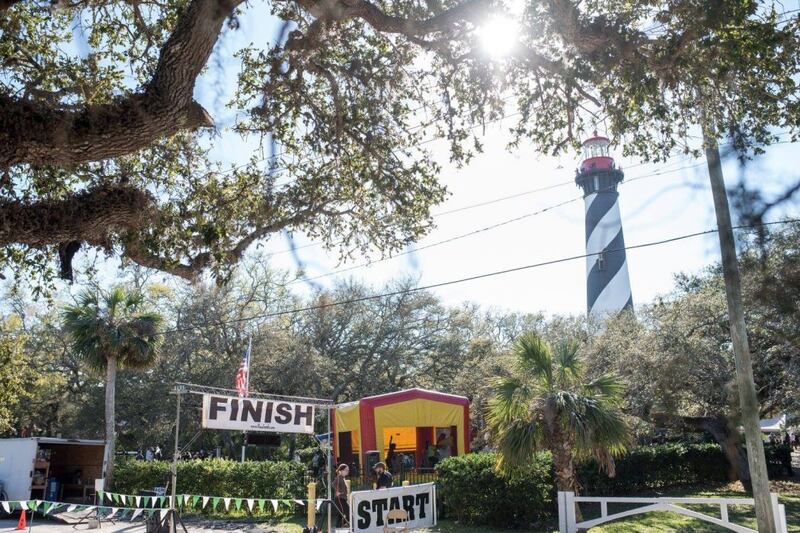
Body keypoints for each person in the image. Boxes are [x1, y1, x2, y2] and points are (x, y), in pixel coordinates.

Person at [333, 464, 350, 528]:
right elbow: (333, 484)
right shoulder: (339, 477)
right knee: (348, 514)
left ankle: (338, 527)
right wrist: (337, 491)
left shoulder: (343, 478)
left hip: (343, 499)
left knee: (340, 515)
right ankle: (341, 526)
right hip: (340, 499)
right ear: (341, 470)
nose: (347, 471)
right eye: (346, 470)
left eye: (348, 470)